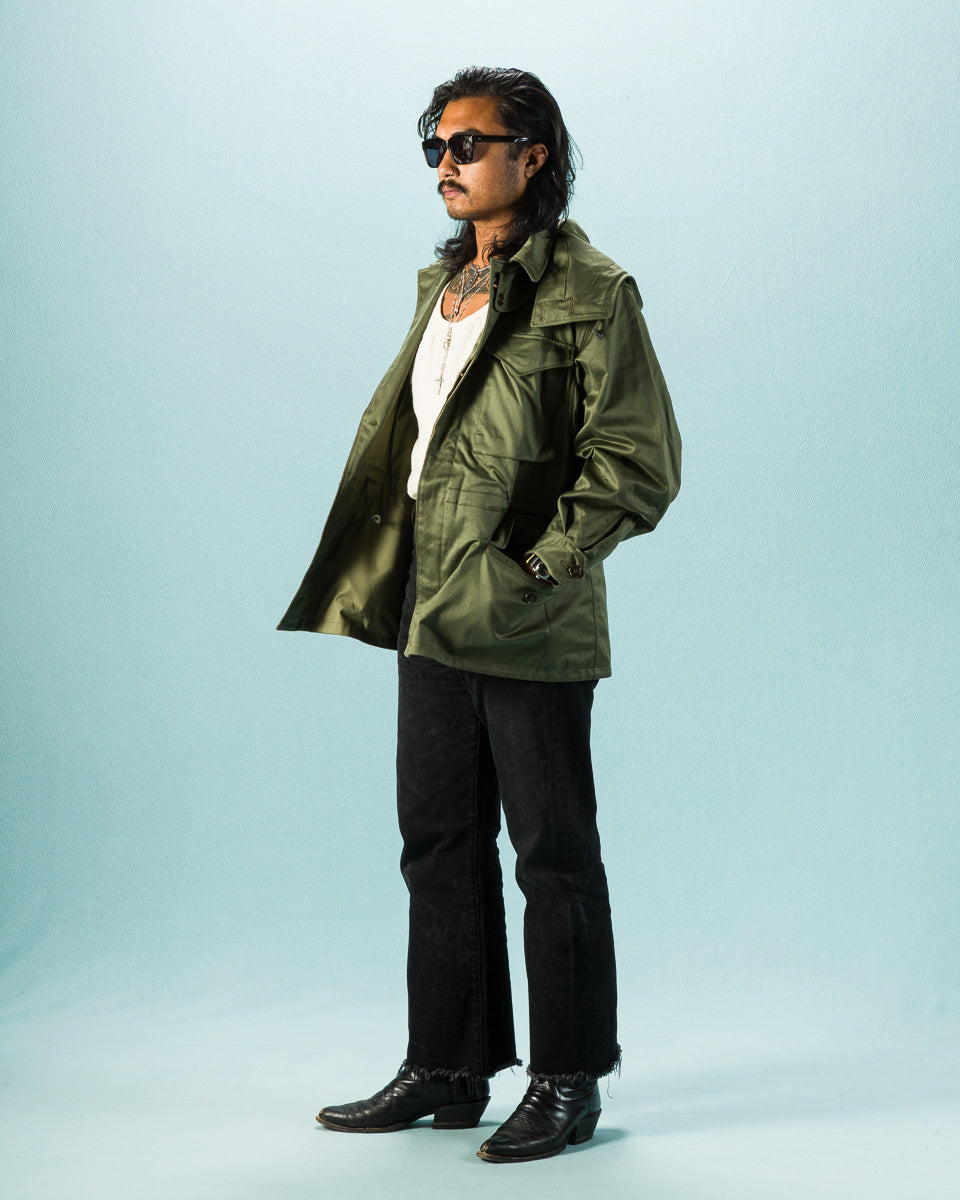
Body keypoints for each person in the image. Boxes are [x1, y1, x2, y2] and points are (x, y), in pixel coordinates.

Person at [278, 66, 681, 1163]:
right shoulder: (446, 284)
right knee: (439, 842)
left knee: (553, 852)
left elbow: (636, 459)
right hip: (430, 597)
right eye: (435, 147)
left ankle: (567, 1079)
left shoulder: (593, 289)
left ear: (532, 155)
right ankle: (449, 1067)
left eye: (467, 144)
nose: (445, 165)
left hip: (528, 608)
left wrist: (540, 567)